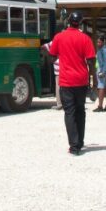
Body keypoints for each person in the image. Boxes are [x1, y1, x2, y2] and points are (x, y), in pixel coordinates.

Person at [43, 11, 96, 156]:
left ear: (68, 21)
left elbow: (52, 58)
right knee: (81, 111)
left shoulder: (59, 37)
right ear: (80, 23)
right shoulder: (85, 38)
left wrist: (48, 55)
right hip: (81, 80)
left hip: (66, 80)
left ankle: (74, 146)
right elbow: (91, 61)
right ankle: (80, 142)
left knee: (69, 113)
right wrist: (93, 81)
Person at [93, 35, 106, 112]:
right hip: (105, 70)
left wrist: (102, 72)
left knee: (101, 87)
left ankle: (100, 106)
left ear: (103, 42)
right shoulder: (104, 50)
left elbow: (105, 62)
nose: (98, 43)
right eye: (97, 42)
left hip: (102, 70)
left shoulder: (103, 50)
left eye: (99, 42)